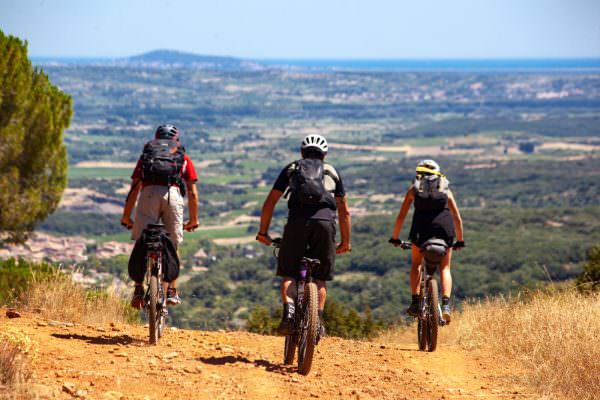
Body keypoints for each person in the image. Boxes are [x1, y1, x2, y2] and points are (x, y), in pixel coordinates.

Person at [256, 134, 352, 336]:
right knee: (319, 278)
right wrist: (345, 242)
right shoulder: (331, 171)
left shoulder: (292, 169)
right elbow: (344, 211)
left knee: (289, 273)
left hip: (296, 223)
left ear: (302, 153)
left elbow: (269, 203)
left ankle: (289, 313)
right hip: (325, 225)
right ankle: (317, 320)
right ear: (324, 155)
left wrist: (263, 232)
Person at [121, 124, 199, 308]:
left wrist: (126, 217)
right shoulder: (183, 157)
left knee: (142, 241)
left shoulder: (147, 157)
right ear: (176, 140)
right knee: (173, 244)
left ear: (155, 139)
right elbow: (193, 192)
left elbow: (134, 189)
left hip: (148, 195)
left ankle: (138, 288)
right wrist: (194, 219)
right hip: (173, 196)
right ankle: (172, 290)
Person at [390, 159, 464, 322]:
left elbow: (401, 217)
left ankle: (416, 301)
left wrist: (395, 238)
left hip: (420, 233)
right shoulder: (445, 190)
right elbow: (457, 219)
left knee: (416, 264)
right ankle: (445, 305)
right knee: (445, 268)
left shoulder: (414, 190)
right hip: (445, 232)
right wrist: (460, 240)